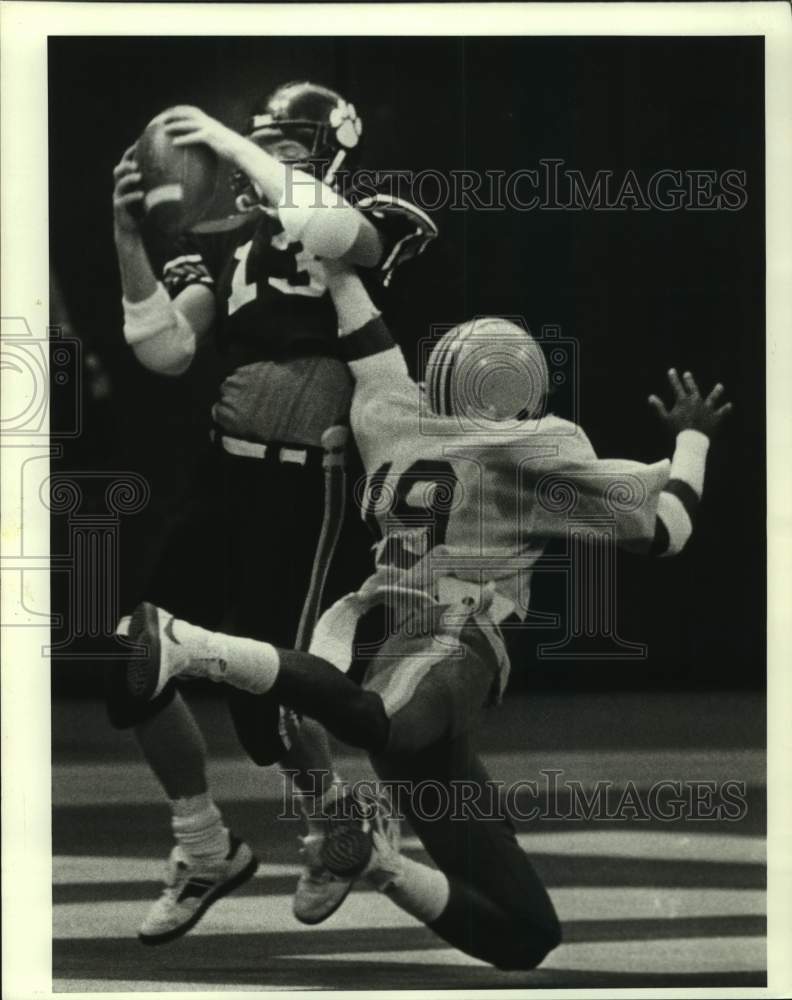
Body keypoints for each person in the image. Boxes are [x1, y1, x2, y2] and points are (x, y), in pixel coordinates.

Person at [121, 261, 731, 969]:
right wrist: (694, 439)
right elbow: (670, 530)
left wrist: (336, 262)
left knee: (526, 938)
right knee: (382, 724)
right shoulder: (525, 456)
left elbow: (365, 329)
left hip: (419, 666)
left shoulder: (387, 412)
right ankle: (192, 646)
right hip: (448, 640)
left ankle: (379, 863)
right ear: (522, 393)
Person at [109, 81, 437, 942]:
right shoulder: (235, 240)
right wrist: (129, 236)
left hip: (305, 481)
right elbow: (166, 349)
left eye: (290, 142)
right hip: (222, 474)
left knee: (267, 701)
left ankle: (338, 822)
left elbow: (329, 231)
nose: (270, 156)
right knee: (132, 658)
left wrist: (221, 136)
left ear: (330, 145)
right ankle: (203, 844)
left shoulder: (373, 216)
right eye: (266, 143)